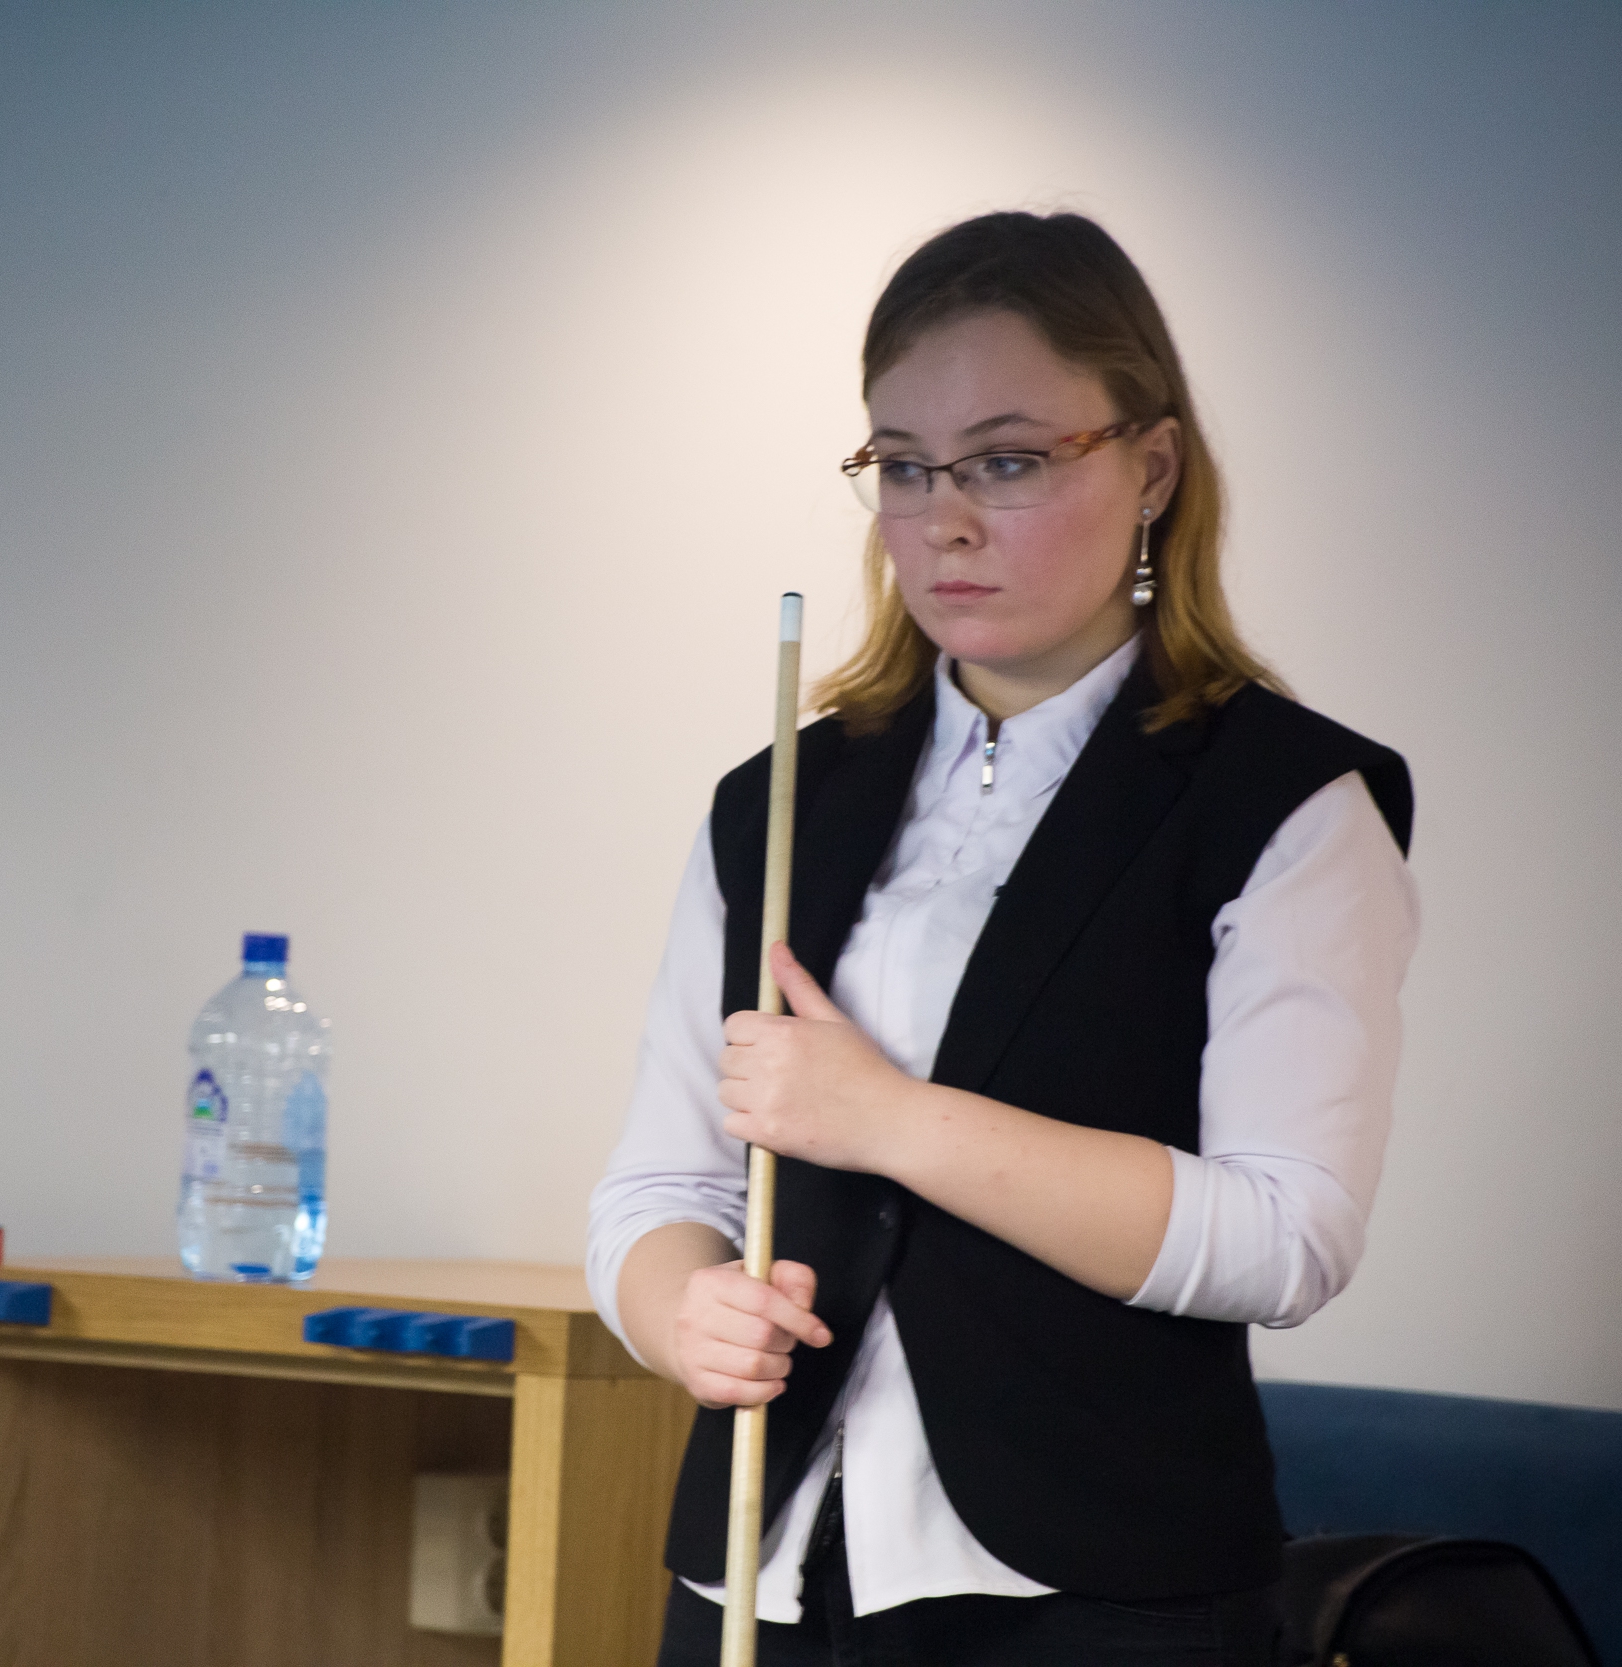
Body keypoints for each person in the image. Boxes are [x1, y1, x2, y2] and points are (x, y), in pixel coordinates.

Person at [586, 210, 1420, 1667]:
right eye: (904, 466)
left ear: (1152, 467)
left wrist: (891, 1121)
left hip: (1098, 1603)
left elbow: (1286, 1237)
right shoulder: (780, 799)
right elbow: (660, 1186)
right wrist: (680, 1313)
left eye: (1009, 460)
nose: (944, 521)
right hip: (761, 1579)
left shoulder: (1288, 801)